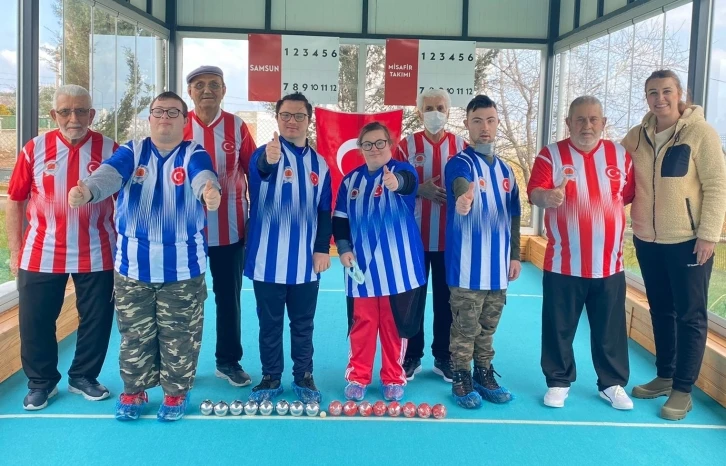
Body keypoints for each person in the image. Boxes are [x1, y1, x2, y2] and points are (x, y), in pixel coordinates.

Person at [68, 91, 221, 422]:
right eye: (158, 111)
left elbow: (203, 177)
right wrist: (88, 190)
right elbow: (109, 174)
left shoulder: (194, 153)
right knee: (134, 335)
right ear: (149, 118)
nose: (165, 117)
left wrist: (210, 192)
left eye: (173, 112)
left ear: (185, 120)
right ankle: (134, 390)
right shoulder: (133, 151)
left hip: (183, 270)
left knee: (180, 337)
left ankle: (176, 392)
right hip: (132, 268)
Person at [622, 70, 726, 421]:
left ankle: (683, 389)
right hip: (647, 239)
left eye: (666, 91)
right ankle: (665, 375)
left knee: (690, 316)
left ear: (681, 93)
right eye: (652, 92)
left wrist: (708, 234)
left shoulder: (701, 133)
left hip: (688, 241)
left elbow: (717, 186)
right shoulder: (637, 136)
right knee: (661, 310)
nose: (660, 98)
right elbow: (612, 168)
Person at [6, 84, 117, 410]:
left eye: (81, 111)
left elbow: (125, 200)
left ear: (91, 115)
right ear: (54, 114)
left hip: (97, 250)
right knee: (35, 321)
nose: (73, 118)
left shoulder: (111, 150)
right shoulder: (34, 149)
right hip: (41, 251)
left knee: (97, 319)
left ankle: (83, 376)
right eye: (66, 111)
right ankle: (41, 382)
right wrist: (15, 251)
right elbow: (15, 200)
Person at [528, 96, 635, 411]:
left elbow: (626, 196)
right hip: (564, 263)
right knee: (558, 327)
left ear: (603, 123)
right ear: (568, 123)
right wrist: (547, 197)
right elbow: (534, 192)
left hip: (609, 264)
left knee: (610, 330)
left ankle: (612, 383)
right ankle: (558, 381)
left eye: (593, 119)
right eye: (580, 119)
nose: (587, 126)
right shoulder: (551, 155)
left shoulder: (620, 156)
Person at [245, 92, 332, 404]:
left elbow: (324, 211)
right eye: (285, 115)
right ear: (277, 119)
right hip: (267, 261)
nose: (292, 121)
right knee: (269, 325)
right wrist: (268, 161)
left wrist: (322, 248)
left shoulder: (320, 164)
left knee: (303, 324)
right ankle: (270, 376)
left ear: (309, 120)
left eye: (299, 116)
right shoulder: (264, 154)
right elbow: (261, 170)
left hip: (305, 263)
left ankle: (304, 375)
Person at [333, 122, 427, 402]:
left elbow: (407, 184)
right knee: (362, 324)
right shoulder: (350, 181)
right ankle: (358, 376)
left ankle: (393, 377)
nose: (374, 149)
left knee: (393, 326)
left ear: (390, 144)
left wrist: (395, 183)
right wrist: (343, 248)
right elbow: (340, 219)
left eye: (379, 143)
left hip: (398, 270)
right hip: (360, 270)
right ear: (360, 148)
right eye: (367, 144)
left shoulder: (403, 171)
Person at [445, 95, 521, 408]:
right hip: (467, 268)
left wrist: (514, 255)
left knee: (488, 327)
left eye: (490, 120)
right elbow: (459, 184)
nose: (484, 127)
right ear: (467, 124)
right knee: (465, 328)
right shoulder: (460, 163)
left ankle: (483, 372)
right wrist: (464, 199)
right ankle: (461, 376)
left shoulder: (507, 171)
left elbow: (514, 215)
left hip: (498, 269)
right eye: (477, 121)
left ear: (498, 123)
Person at [184, 65, 258, 387]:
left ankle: (228, 361)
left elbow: (254, 174)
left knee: (229, 299)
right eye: (199, 85)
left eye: (214, 84)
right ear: (190, 92)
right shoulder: (178, 125)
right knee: (184, 301)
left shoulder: (237, 126)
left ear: (224, 90)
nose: (207, 90)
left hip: (231, 231)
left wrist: (256, 220)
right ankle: (182, 364)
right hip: (186, 235)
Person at [395, 88, 466, 382]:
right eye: (428, 108)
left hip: (451, 240)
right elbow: (392, 184)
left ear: (448, 112)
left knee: (447, 301)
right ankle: (411, 355)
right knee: (412, 299)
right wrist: (418, 189)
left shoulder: (462, 146)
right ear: (419, 112)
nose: (434, 113)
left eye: (440, 108)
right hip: (414, 239)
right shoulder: (405, 146)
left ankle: (443, 356)